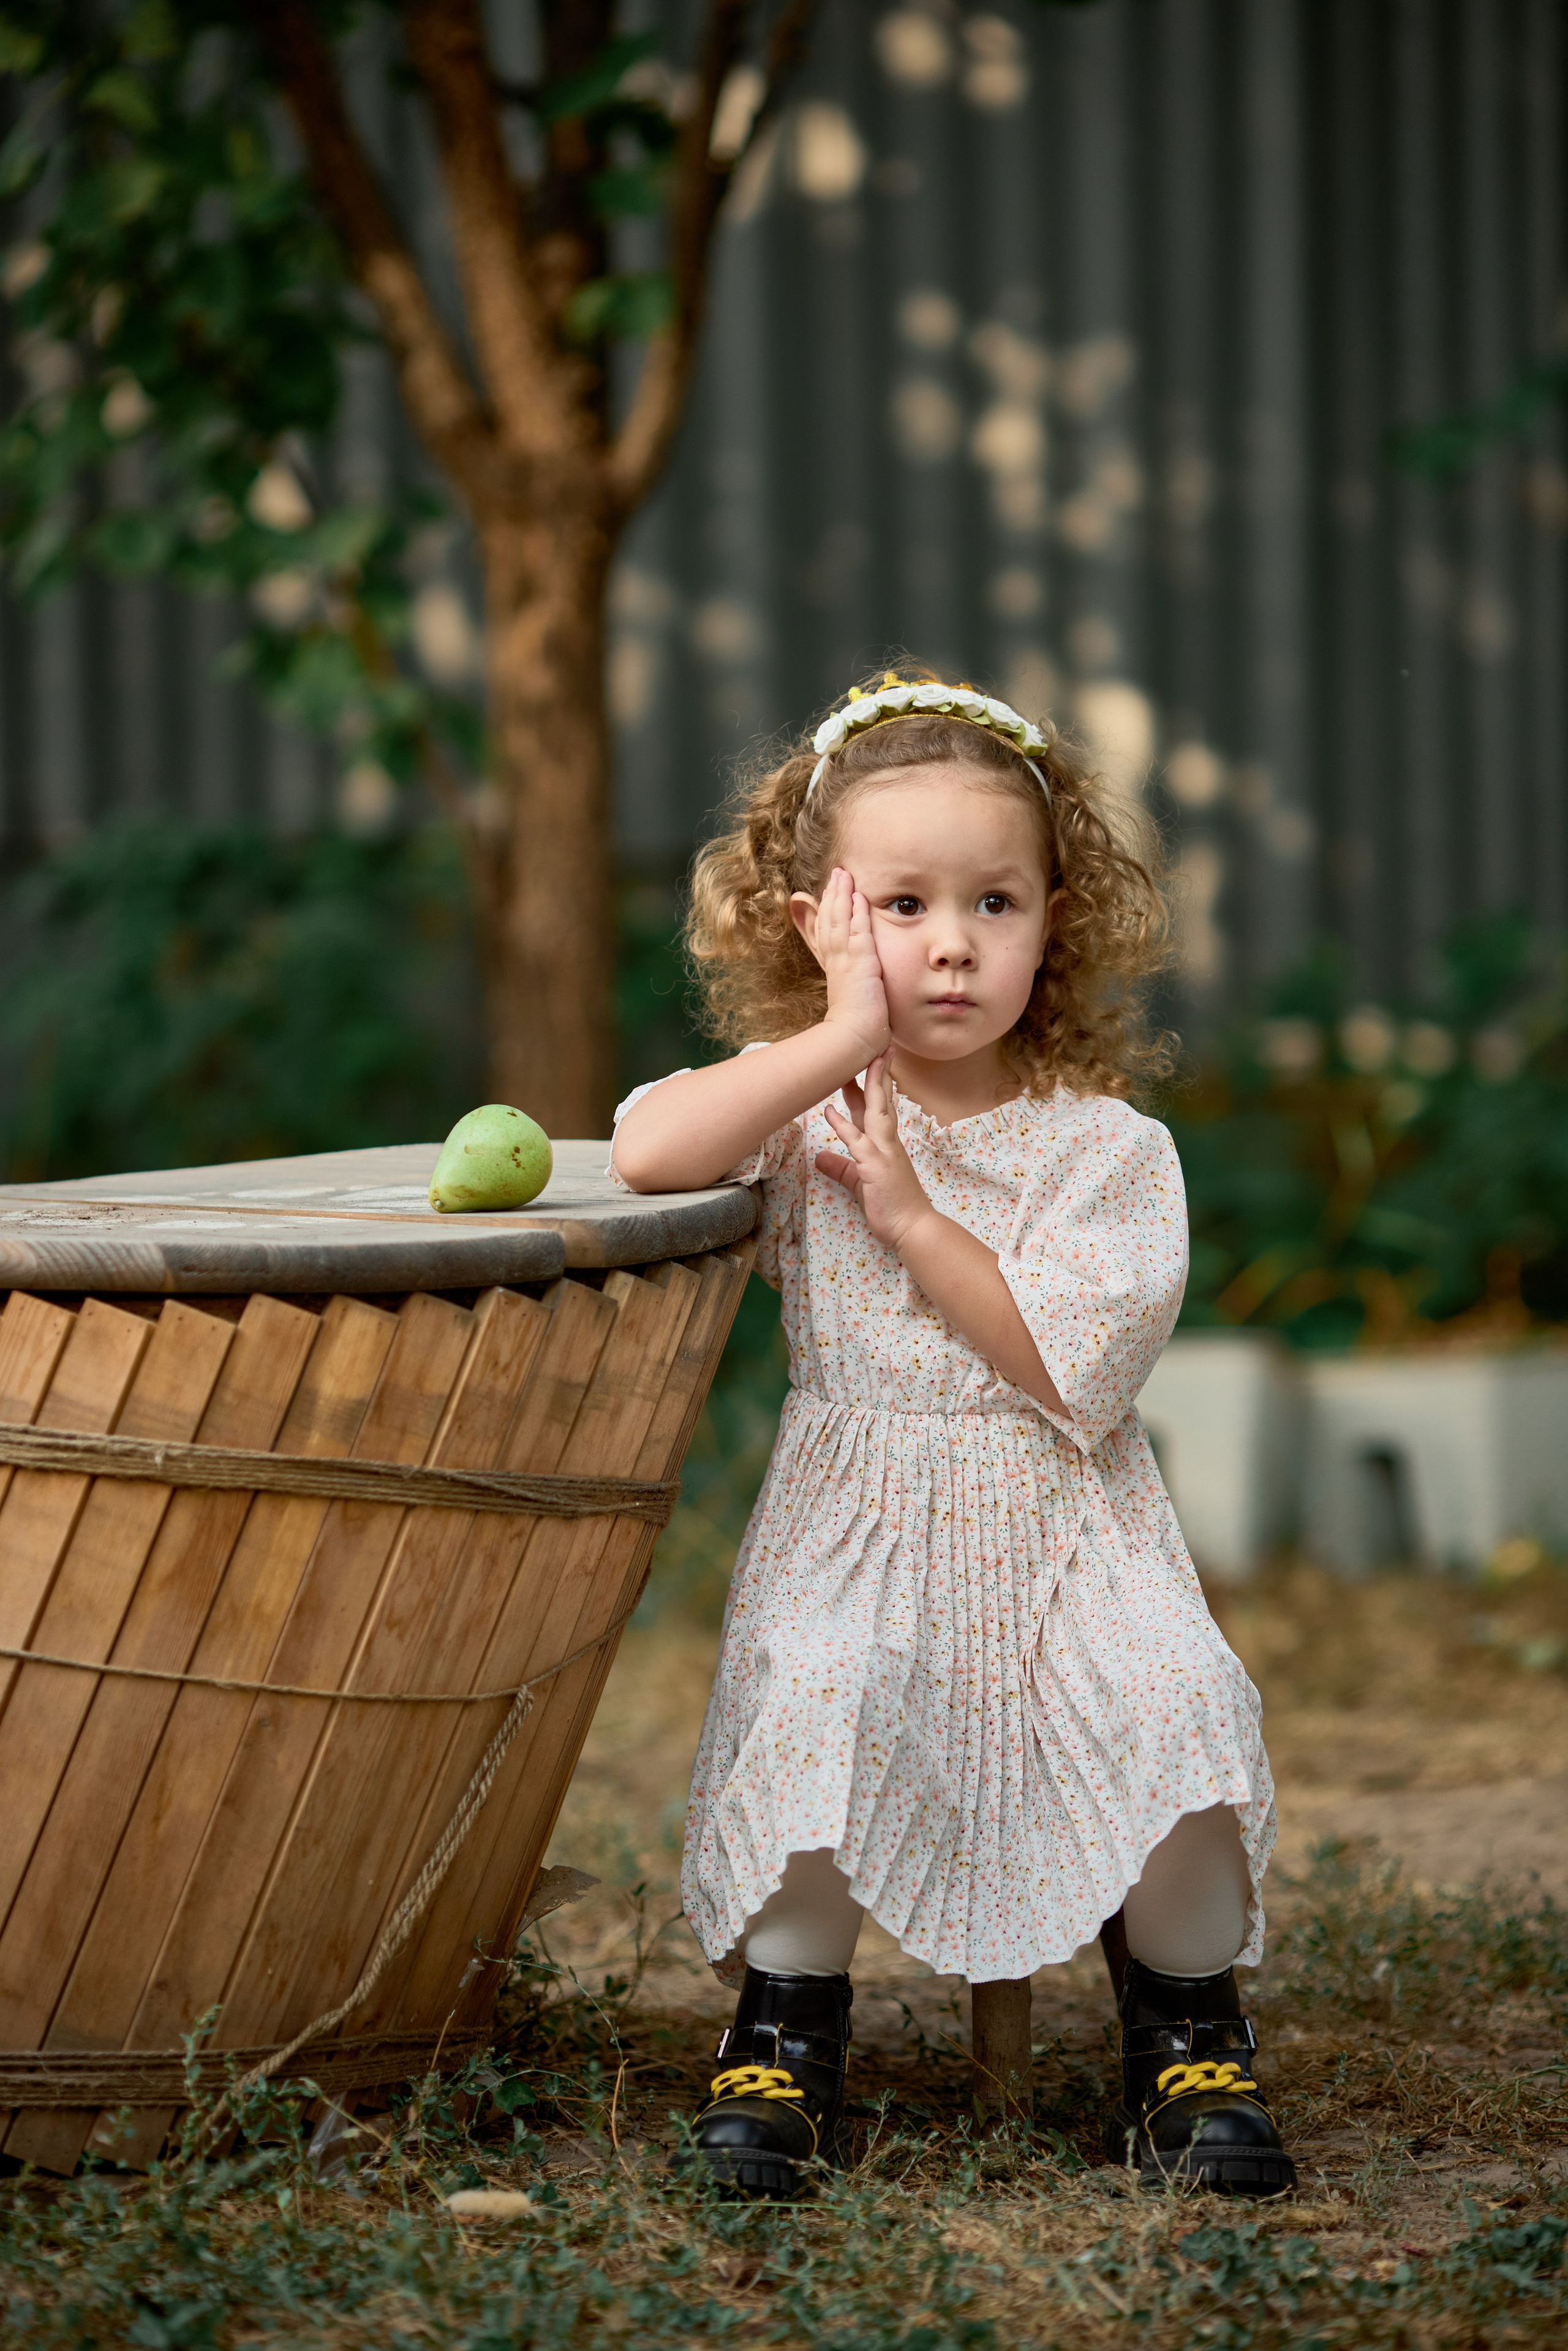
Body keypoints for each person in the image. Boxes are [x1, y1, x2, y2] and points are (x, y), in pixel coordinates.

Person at [612, 673, 1293, 2201]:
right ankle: (783, 2028)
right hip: (855, 1525)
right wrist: (836, 1032)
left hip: (1061, 1528)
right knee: (822, 1690)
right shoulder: (805, 1109)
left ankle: (1187, 2025)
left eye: (994, 901)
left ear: (1056, 918)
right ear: (818, 922)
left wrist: (912, 1216)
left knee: (1174, 1700)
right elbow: (647, 1149)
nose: (950, 942)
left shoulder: (1103, 1149)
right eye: (901, 906)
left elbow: (1069, 1371)